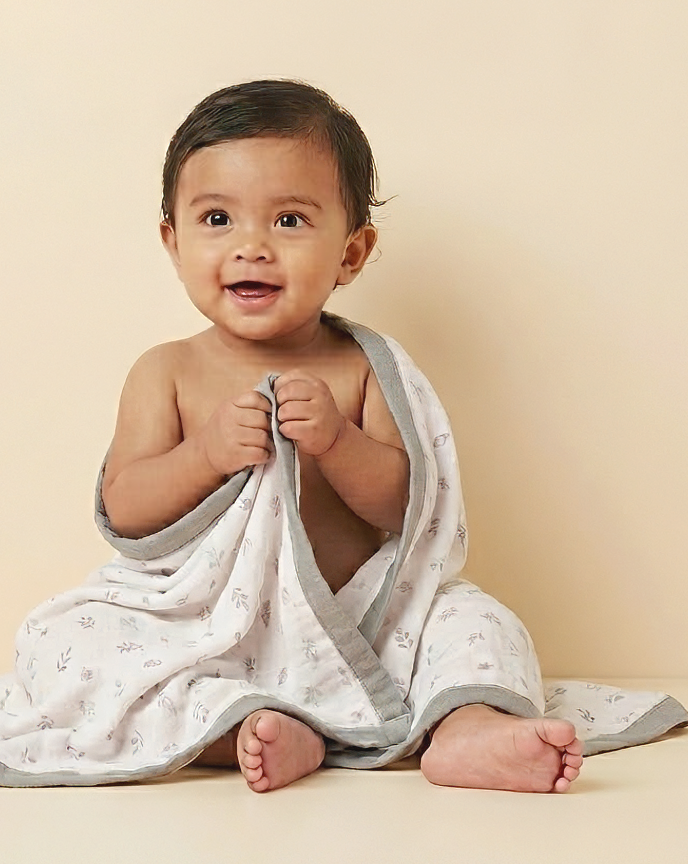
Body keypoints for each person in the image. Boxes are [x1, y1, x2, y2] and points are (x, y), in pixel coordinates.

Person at [99, 79, 584, 793]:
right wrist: (204, 455)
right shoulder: (165, 372)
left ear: (352, 254)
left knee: (478, 621)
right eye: (217, 219)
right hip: (209, 630)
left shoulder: (362, 369)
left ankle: (470, 728)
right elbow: (128, 507)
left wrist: (337, 441)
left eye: (290, 221)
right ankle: (256, 730)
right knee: (80, 642)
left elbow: (405, 509)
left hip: (363, 625)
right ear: (173, 242)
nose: (252, 247)